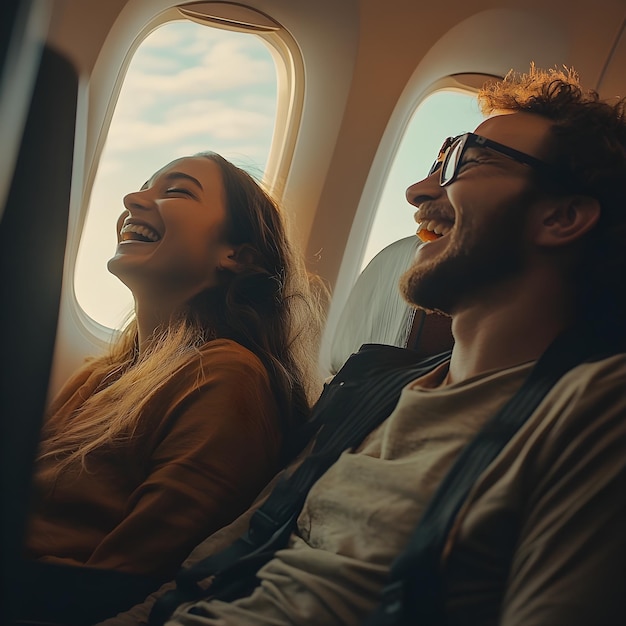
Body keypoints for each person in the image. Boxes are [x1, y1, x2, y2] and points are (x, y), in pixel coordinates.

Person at [146, 66, 626, 626]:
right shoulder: (373, 387)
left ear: (562, 216)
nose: (419, 190)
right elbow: (211, 565)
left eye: (464, 161)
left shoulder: (595, 408)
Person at [23, 152, 325, 585]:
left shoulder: (225, 377)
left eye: (176, 190)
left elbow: (124, 581)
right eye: (143, 186)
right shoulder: (100, 375)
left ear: (237, 256)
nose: (132, 198)